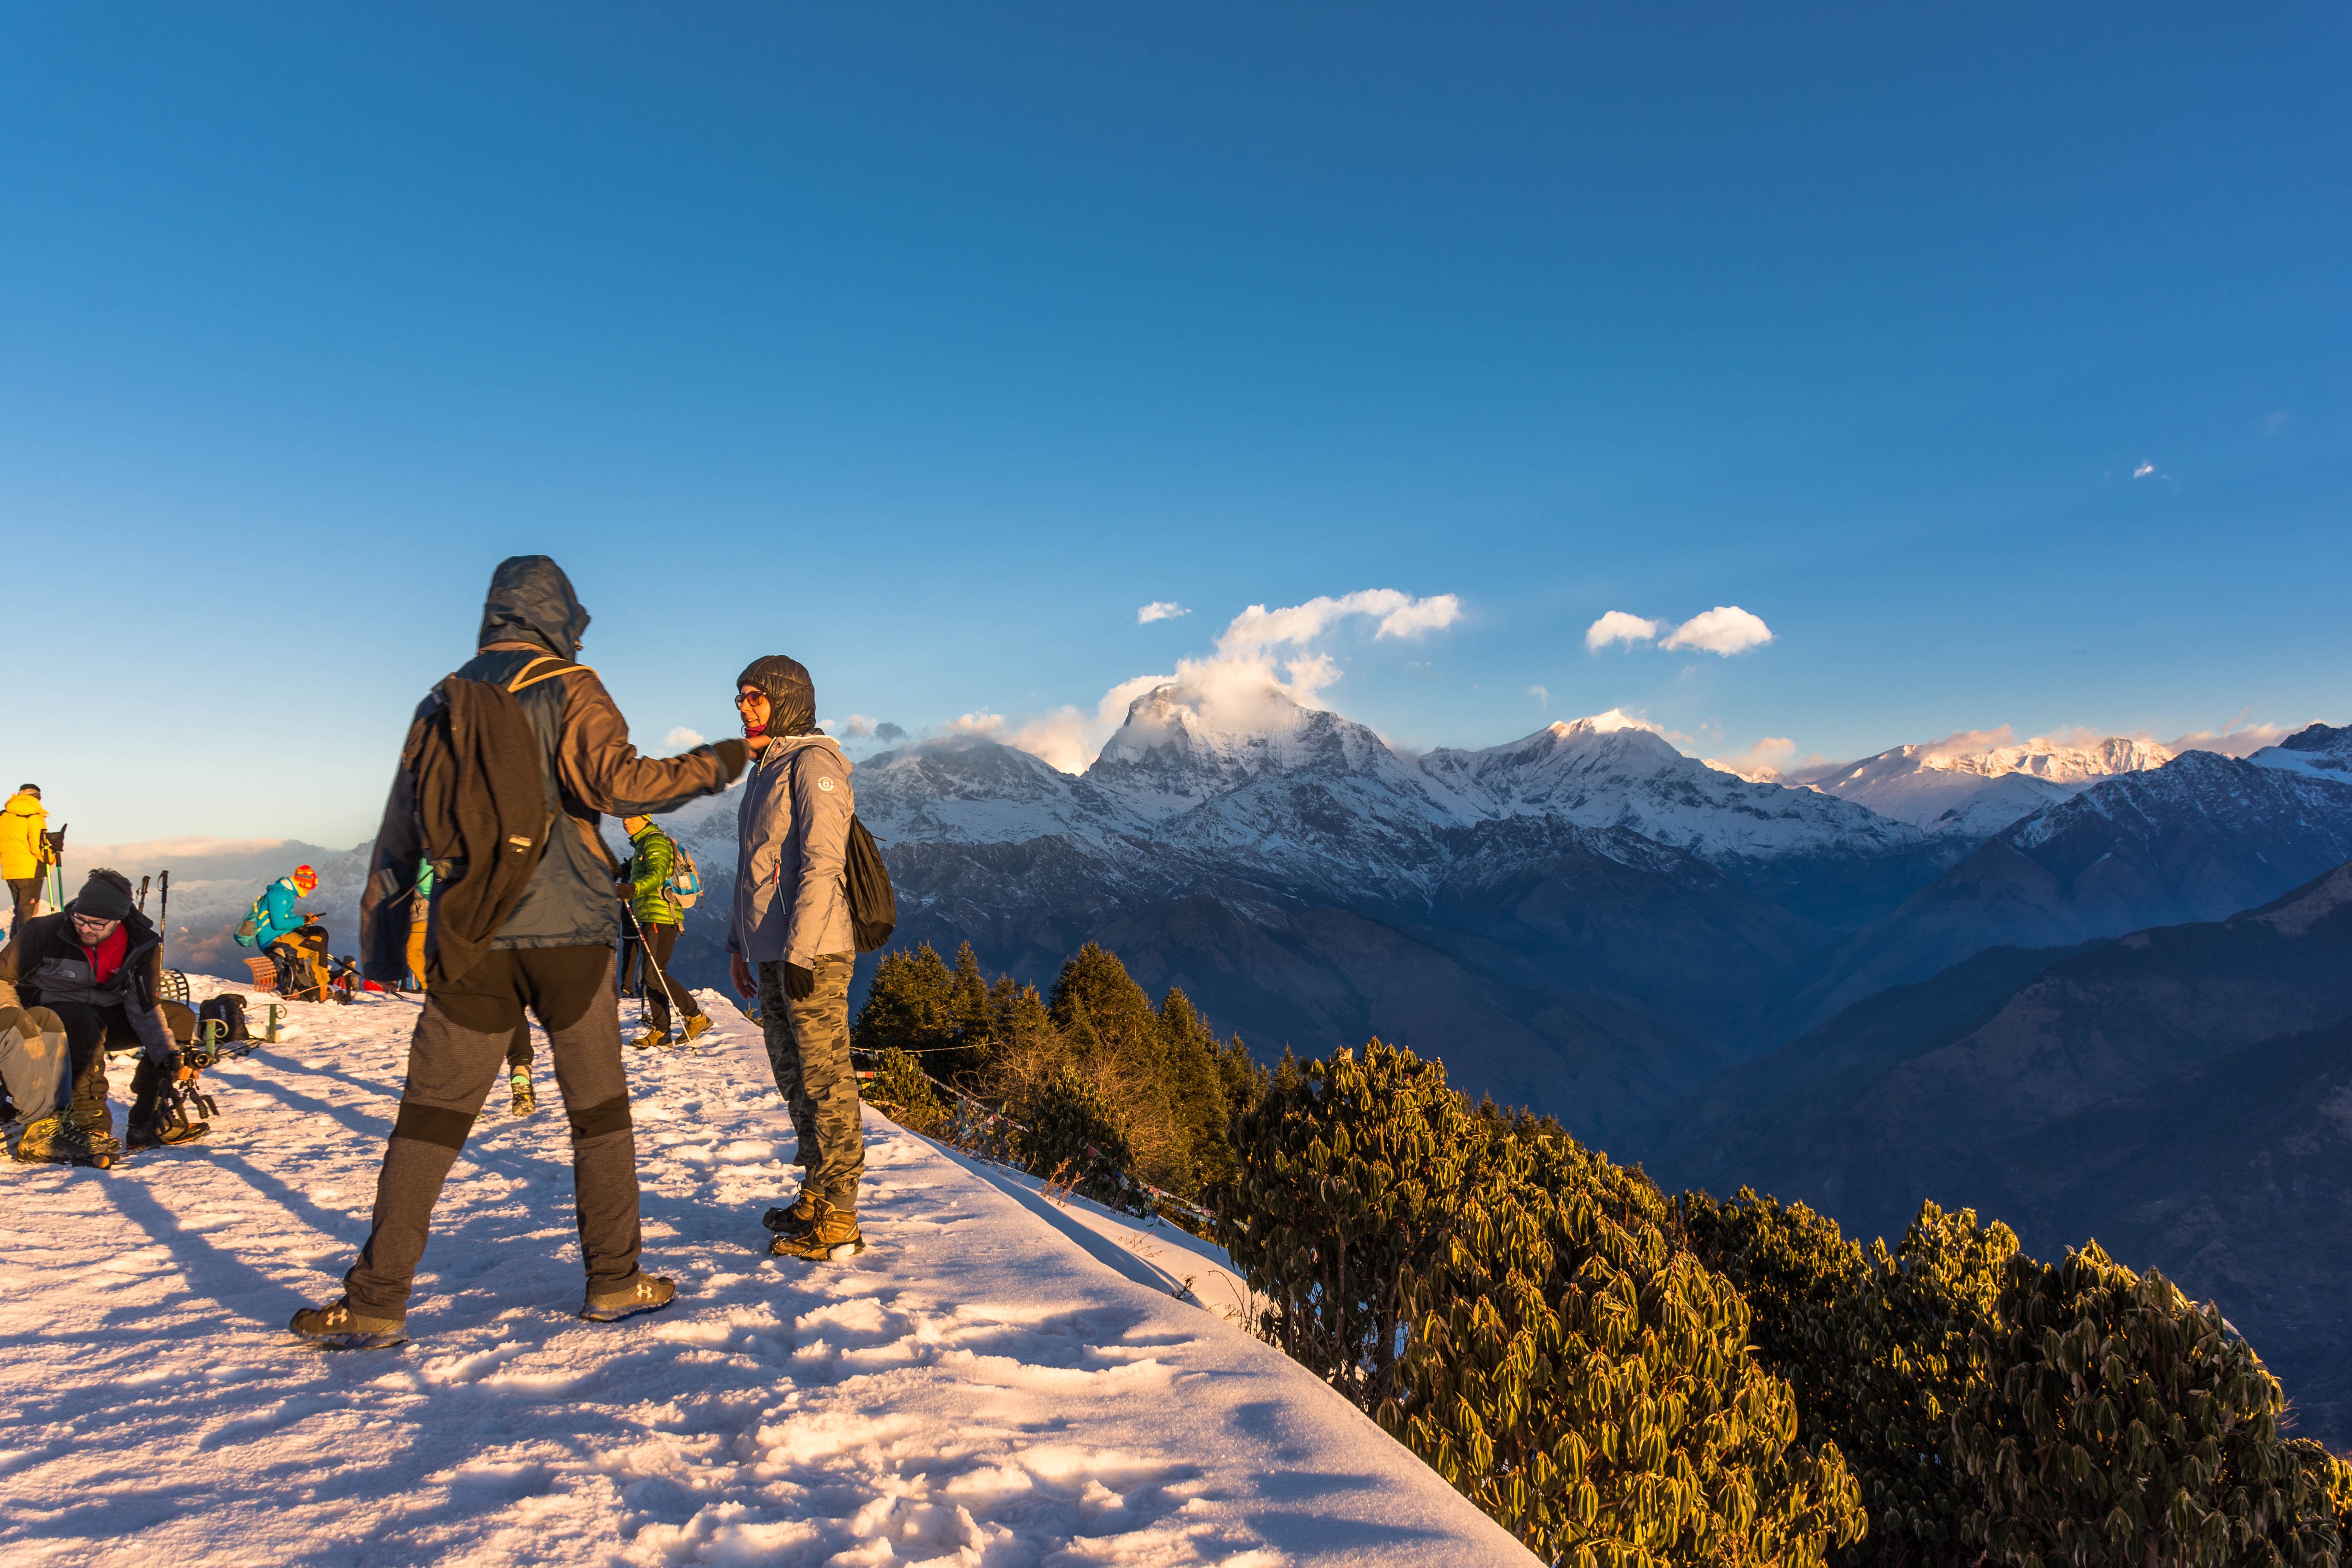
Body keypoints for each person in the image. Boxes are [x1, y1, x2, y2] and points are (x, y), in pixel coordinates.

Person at [289, 555, 750, 1350]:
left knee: (429, 1122)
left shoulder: (441, 701)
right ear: (559, 616)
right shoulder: (572, 685)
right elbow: (622, 784)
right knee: (598, 1114)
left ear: (493, 613)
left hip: (471, 937)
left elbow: (399, 837)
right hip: (570, 932)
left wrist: (383, 950)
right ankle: (614, 1278)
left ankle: (376, 1299)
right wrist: (725, 760)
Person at [729, 655, 865, 1261]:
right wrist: (741, 946)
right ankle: (815, 1191)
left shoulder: (815, 763)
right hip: (772, 954)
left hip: (813, 953)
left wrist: (801, 952)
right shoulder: (764, 770)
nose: (743, 706)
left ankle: (841, 1217)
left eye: (755, 697)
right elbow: (753, 868)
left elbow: (822, 863)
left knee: (827, 1080)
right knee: (795, 1080)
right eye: (740, 697)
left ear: (785, 700)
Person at [0, 869, 199, 1158]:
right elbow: (3, 979)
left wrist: (170, 1055)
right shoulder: (45, 931)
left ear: (119, 920)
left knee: (179, 1019)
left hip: (104, 1013)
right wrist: (15, 1024)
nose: (85, 928)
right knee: (85, 1023)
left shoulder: (140, 945)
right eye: (80, 919)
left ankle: (149, 1120)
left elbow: (143, 1005)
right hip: (50, 1014)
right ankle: (90, 1125)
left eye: (96, 923)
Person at [617, 815, 710, 1049]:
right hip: (650, 915)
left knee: (654, 975)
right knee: (653, 974)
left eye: (632, 817)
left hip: (661, 916)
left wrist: (632, 887)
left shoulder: (654, 841)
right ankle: (661, 1031)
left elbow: (657, 875)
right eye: (624, 818)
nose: (626, 821)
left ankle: (696, 1016)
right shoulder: (641, 843)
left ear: (646, 818)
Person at [245, 864, 334, 1002]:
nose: (309, 892)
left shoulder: (285, 893)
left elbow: (284, 920)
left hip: (280, 934)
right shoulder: (280, 894)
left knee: (320, 933)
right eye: (308, 888)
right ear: (302, 884)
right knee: (317, 949)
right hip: (273, 939)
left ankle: (319, 984)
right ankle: (322, 987)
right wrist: (302, 920)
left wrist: (306, 921)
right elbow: (279, 924)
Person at [3, 784, 53, 937]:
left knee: (20, 912)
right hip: (31, 871)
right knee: (27, 916)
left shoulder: (4, 815)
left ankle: (13, 949)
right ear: (37, 797)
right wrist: (52, 858)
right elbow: (38, 847)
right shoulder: (34, 816)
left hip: (10, 871)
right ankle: (22, 953)